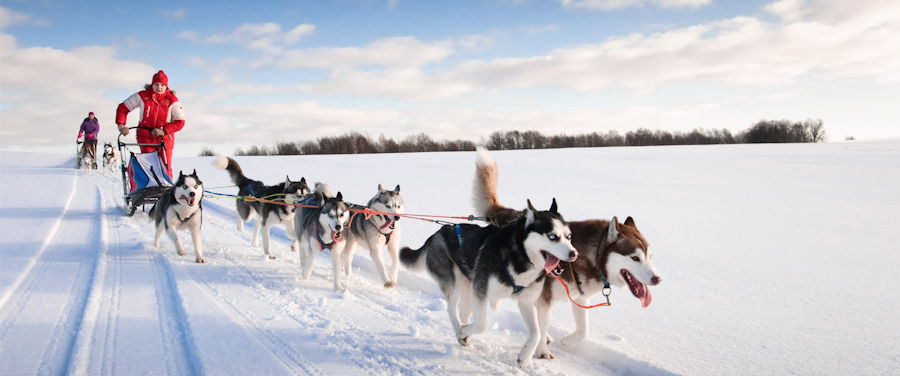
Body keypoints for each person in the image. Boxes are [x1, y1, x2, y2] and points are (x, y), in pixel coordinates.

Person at [115, 70, 185, 179]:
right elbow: (123, 108)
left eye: (162, 85)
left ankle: (166, 192)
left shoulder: (172, 100)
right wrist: (121, 125)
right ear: (152, 85)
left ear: (166, 86)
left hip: (165, 139)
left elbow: (180, 122)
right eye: (156, 84)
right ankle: (150, 192)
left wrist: (163, 130)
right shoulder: (142, 96)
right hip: (145, 138)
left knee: (165, 168)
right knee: (149, 168)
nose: (159, 87)